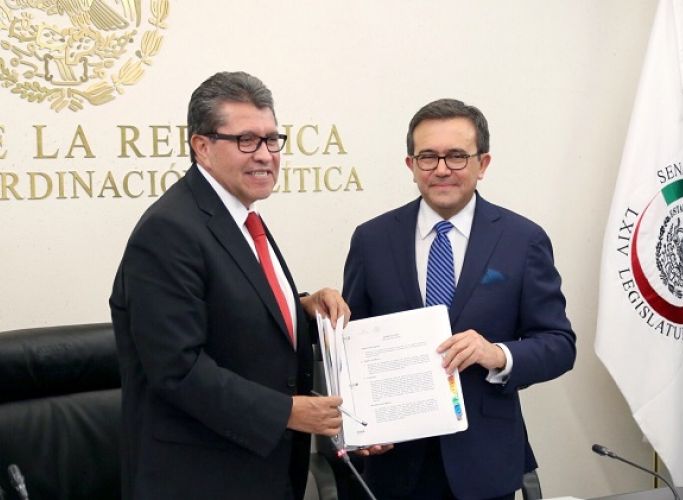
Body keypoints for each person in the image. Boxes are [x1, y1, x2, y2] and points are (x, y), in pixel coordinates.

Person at [109, 71, 349, 500]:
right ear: (202, 147)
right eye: (246, 141)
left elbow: (234, 310)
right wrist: (288, 412)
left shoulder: (240, 215)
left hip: (259, 470)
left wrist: (303, 307)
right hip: (201, 478)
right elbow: (177, 369)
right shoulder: (169, 230)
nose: (265, 155)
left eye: (272, 139)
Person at [342, 99, 576, 500]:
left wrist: (498, 354)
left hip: (484, 462)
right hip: (394, 462)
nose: (442, 169)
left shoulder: (522, 240)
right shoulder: (372, 239)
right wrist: (360, 425)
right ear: (410, 165)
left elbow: (559, 345)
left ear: (482, 164)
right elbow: (351, 347)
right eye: (428, 157)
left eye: (456, 156)